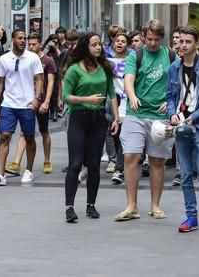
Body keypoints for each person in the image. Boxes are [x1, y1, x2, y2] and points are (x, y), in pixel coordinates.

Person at [115, 19, 176, 222]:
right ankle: (131, 205)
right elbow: (128, 79)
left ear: (162, 39)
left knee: (157, 161)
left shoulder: (171, 56)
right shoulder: (136, 55)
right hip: (136, 114)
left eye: (156, 40)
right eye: (149, 39)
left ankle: (155, 206)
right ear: (143, 36)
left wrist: (170, 102)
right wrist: (131, 96)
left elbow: (177, 83)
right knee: (131, 156)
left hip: (160, 116)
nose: (152, 43)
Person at [166, 26, 199, 232]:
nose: (183, 45)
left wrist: (194, 117)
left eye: (188, 42)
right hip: (180, 126)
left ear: (196, 43)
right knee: (186, 173)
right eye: (181, 41)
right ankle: (191, 216)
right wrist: (172, 113)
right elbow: (170, 96)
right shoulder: (174, 68)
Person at [62, 32, 120, 223]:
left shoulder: (104, 67)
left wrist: (116, 118)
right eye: (94, 44)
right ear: (85, 47)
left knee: (94, 165)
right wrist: (86, 99)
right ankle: (69, 207)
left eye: (100, 45)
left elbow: (112, 93)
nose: (98, 47)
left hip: (98, 120)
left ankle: (90, 205)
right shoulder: (74, 70)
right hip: (78, 118)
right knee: (76, 163)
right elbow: (66, 97)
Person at [0, 30, 44, 186]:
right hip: (9, 104)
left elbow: (39, 79)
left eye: (24, 38)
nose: (23, 41)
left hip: (27, 105)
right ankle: (0, 174)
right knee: (4, 136)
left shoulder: (33, 58)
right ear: (12, 40)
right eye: (20, 38)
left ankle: (29, 170)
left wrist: (37, 99)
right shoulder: (4, 59)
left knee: (29, 137)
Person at [6, 33, 58, 176]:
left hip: (41, 102)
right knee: (24, 132)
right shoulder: (25, 59)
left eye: (34, 44)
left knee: (44, 131)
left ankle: (47, 160)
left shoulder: (47, 61)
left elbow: (51, 82)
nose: (31, 46)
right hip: (28, 102)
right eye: (30, 44)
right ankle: (16, 162)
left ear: (40, 44)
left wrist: (46, 101)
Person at [106, 31, 130, 184]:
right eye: (117, 41)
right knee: (113, 135)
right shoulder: (107, 62)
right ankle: (117, 162)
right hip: (112, 103)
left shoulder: (132, 60)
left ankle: (119, 168)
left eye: (123, 41)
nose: (120, 43)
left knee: (123, 137)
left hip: (127, 102)